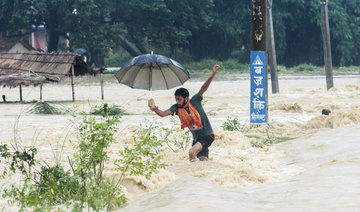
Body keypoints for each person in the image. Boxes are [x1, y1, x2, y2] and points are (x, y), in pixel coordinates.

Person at [148, 64, 220, 162]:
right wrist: (154, 109)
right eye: (176, 99)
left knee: (191, 153)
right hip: (196, 139)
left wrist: (212, 75)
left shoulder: (195, 101)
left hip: (207, 135)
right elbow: (163, 114)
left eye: (179, 99)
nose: (177, 102)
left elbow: (203, 88)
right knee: (203, 162)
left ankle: (191, 171)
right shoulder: (176, 108)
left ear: (186, 98)